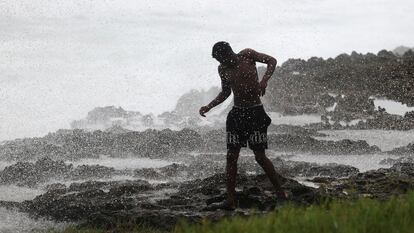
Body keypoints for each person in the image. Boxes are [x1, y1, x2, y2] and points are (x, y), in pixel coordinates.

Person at [199, 41, 287, 210]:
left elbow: (272, 61)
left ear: (228, 53)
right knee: (231, 157)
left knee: (260, 157)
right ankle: (230, 200)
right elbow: (226, 92)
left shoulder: (247, 55)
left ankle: (281, 195)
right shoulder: (222, 69)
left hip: (255, 113)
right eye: (217, 60)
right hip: (236, 115)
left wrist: (264, 80)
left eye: (220, 59)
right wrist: (209, 106)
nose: (220, 63)